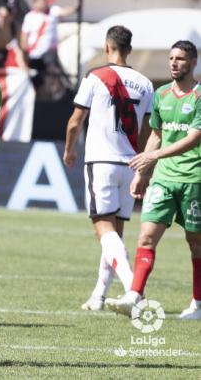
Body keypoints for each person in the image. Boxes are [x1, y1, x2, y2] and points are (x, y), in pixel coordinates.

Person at [106, 40, 201, 320]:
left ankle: (198, 303)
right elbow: (156, 135)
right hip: (163, 178)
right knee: (146, 237)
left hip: (193, 178)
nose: (174, 63)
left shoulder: (198, 96)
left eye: (181, 59)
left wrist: (153, 156)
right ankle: (135, 295)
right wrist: (142, 172)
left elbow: (193, 138)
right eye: (171, 58)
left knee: (195, 243)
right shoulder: (160, 95)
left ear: (193, 62)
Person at [63, 26, 154, 311]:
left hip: (101, 161)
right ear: (129, 49)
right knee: (114, 232)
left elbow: (75, 121)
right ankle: (98, 295)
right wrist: (142, 165)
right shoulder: (145, 83)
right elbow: (148, 130)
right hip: (129, 163)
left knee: (103, 230)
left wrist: (69, 149)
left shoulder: (95, 76)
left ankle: (133, 290)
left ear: (107, 47)